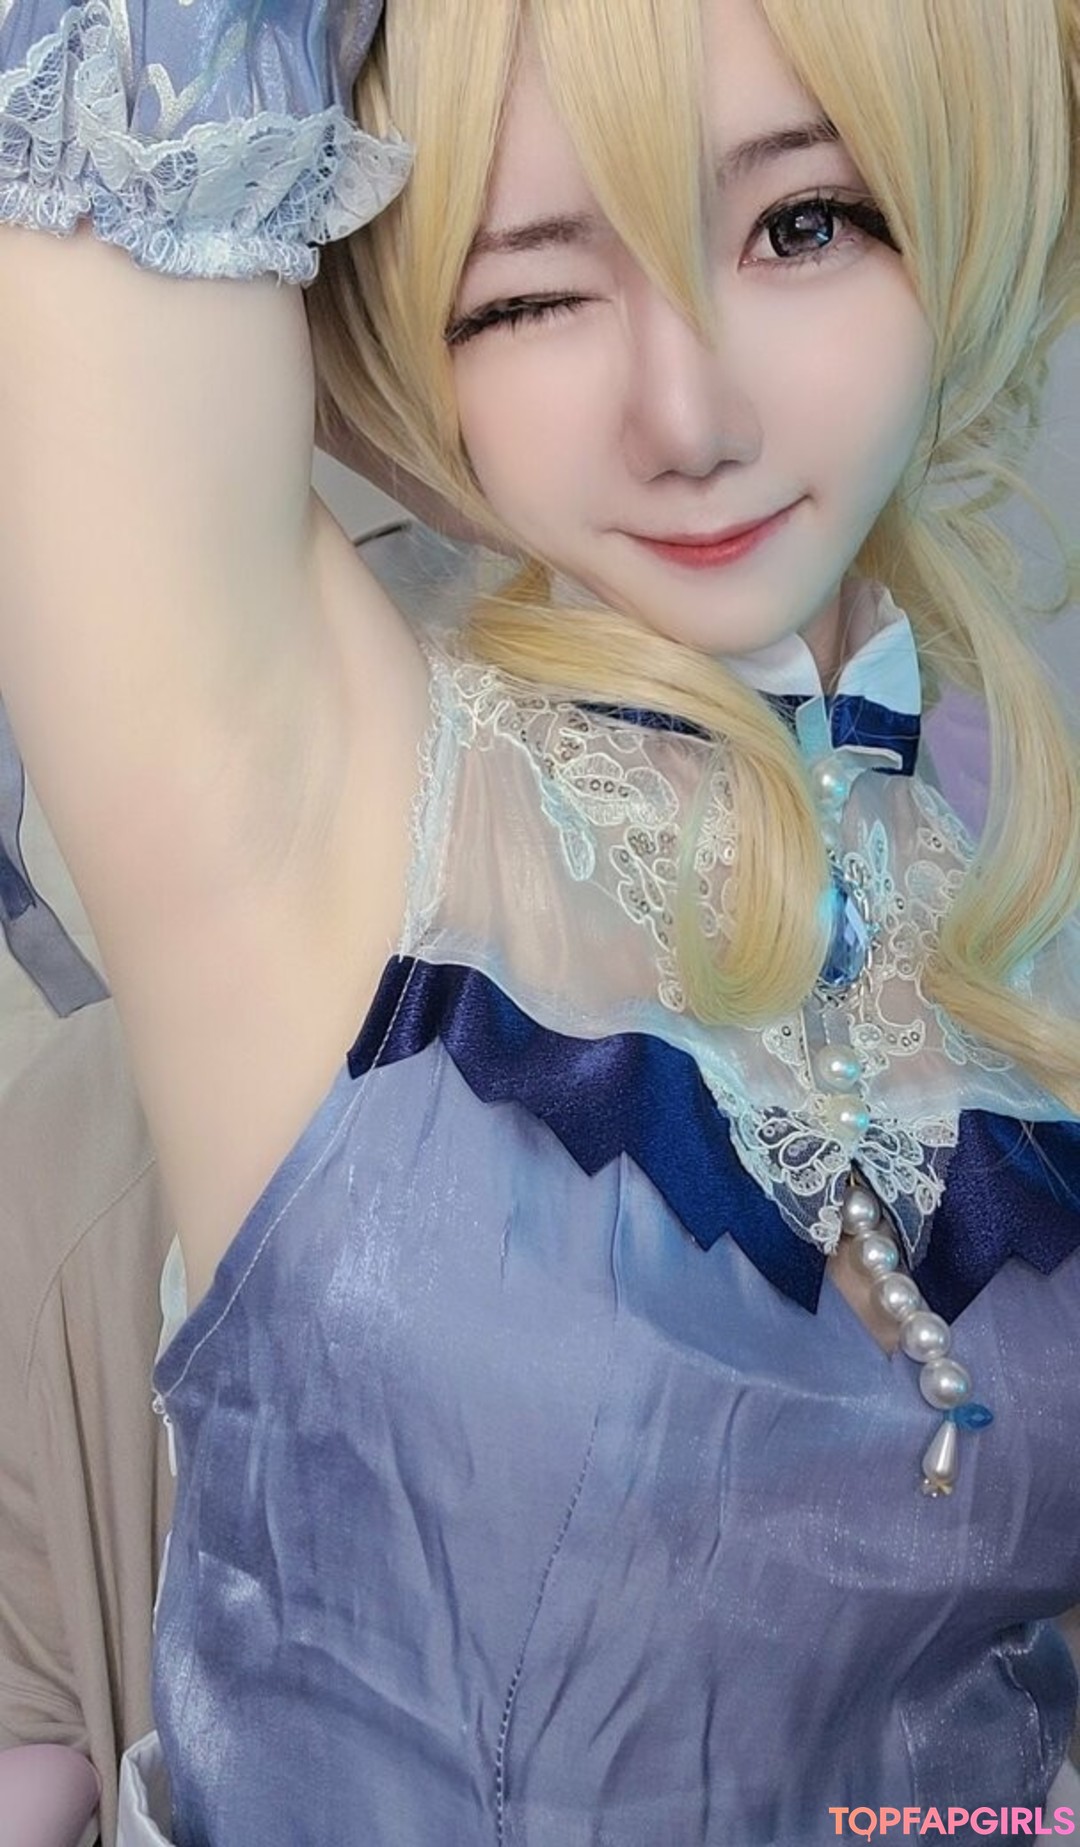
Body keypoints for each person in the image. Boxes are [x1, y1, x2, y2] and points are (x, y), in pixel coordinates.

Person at [0, 1, 1078, 1843]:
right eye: (532, 296)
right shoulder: (323, 790)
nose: (694, 420)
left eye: (803, 224)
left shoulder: (1011, 843)